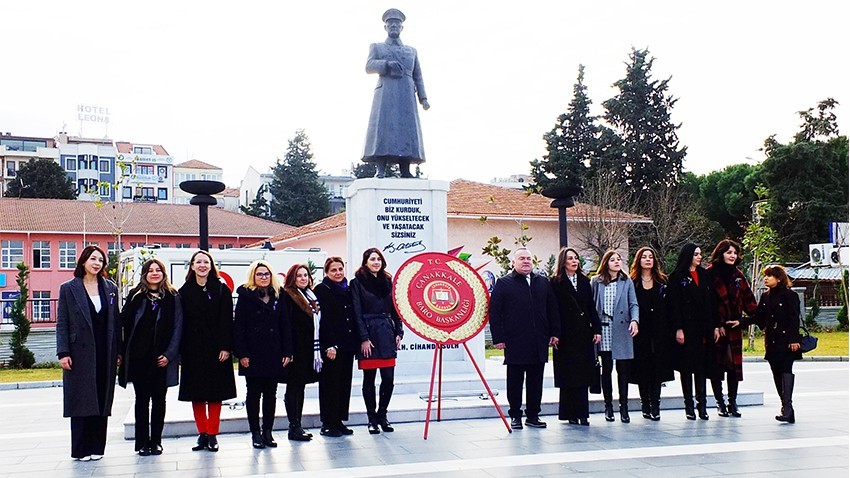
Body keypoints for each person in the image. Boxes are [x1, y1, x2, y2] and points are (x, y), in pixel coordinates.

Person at [56, 245, 121, 461]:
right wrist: (63, 352)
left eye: (100, 260)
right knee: (81, 399)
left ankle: (97, 447)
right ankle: (81, 448)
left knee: (102, 398)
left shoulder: (110, 288)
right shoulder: (68, 288)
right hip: (78, 352)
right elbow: (62, 322)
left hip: (105, 351)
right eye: (93, 258)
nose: (96, 263)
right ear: (83, 261)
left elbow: (116, 321)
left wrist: (118, 351)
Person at [489, 247, 560, 430]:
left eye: (528, 258)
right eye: (521, 258)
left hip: (539, 340)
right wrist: (498, 337)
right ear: (514, 262)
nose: (526, 261)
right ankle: (515, 415)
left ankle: (533, 415)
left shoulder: (542, 282)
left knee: (536, 381)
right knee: (515, 381)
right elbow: (495, 313)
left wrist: (554, 332)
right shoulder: (504, 283)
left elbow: (552, 309)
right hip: (515, 341)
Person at [118, 259, 183, 456]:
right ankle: (142, 443)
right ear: (144, 274)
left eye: (158, 270)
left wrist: (170, 355)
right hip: (139, 358)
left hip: (161, 358)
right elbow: (124, 325)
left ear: (163, 273)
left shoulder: (173, 297)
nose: (154, 273)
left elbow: (178, 327)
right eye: (150, 270)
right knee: (141, 400)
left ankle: (156, 441)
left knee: (159, 400)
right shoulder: (136, 296)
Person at [178, 250, 236, 452]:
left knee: (215, 394)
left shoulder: (221, 289)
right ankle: (202, 433)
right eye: (198, 262)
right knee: (197, 394)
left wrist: (225, 347)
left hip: (217, 350)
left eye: (206, 262)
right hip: (192, 350)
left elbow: (227, 321)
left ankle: (213, 434)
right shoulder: (183, 292)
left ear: (211, 266)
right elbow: (180, 324)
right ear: (192, 266)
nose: (202, 265)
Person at [362, 8, 430, 178]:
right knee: (383, 128)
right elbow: (369, 66)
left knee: (406, 130)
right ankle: (381, 169)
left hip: (406, 94)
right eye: (390, 24)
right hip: (386, 93)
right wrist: (386, 64)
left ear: (402, 28)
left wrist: (423, 98)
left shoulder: (411, 51)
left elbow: (418, 75)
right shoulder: (377, 47)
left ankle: (405, 169)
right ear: (385, 27)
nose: (393, 26)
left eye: (397, 24)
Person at [233, 260, 292, 449]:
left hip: (274, 351)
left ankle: (268, 432)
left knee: (271, 394)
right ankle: (255, 433)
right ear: (253, 276)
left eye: (266, 274)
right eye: (260, 274)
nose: (264, 277)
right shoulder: (245, 295)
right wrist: (242, 353)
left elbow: (285, 325)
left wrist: (287, 351)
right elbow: (239, 327)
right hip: (252, 353)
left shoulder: (279, 295)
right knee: (253, 394)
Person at [351, 248, 405, 434]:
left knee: (388, 378)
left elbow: (396, 309)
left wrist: (399, 332)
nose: (376, 262)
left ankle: (383, 415)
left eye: (379, 259)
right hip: (369, 332)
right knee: (369, 379)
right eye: (372, 259)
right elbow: (356, 312)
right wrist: (363, 338)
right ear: (365, 261)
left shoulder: (389, 281)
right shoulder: (357, 283)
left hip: (386, 332)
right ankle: (371, 418)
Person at [742, 266, 802, 423]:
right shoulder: (765, 296)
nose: (766, 279)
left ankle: (787, 408)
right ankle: (786, 407)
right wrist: (741, 321)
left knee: (786, 370)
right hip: (772, 340)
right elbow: (758, 317)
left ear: (779, 278)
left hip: (787, 340)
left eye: (769, 276)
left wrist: (794, 339)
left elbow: (794, 318)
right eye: (765, 276)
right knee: (776, 372)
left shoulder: (790, 295)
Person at [707, 239, 758, 418]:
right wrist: (715, 324)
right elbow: (706, 304)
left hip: (733, 327)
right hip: (715, 328)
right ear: (721, 253)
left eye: (735, 253)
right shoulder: (710, 274)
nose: (732, 256)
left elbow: (751, 304)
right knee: (717, 366)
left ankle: (732, 401)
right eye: (729, 252)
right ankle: (719, 402)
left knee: (733, 367)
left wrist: (743, 321)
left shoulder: (738, 275)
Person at [550, 247, 601, 426]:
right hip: (564, 334)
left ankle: (583, 413)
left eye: (576, 258)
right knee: (567, 375)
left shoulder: (584, 281)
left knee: (583, 374)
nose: (574, 261)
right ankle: (569, 413)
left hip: (582, 333)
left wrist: (597, 329)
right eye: (570, 258)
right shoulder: (555, 282)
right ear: (563, 261)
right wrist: (554, 333)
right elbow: (553, 309)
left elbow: (590, 307)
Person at [667, 244, 717, 420]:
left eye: (700, 254)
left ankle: (702, 405)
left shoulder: (705, 275)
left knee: (702, 368)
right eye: (696, 254)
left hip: (703, 328)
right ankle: (689, 405)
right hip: (686, 328)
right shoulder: (676, 277)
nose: (699, 257)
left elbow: (712, 302)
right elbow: (674, 305)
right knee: (686, 368)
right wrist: (678, 328)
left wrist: (715, 326)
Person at [590, 250, 639, 423]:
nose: (617, 262)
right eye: (612, 260)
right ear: (606, 263)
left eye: (619, 259)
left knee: (623, 370)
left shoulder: (627, 281)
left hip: (622, 328)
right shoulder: (596, 281)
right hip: (603, 329)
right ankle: (608, 406)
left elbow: (633, 303)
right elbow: (591, 305)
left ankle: (623, 407)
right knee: (607, 368)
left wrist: (634, 320)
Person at [313, 257, 358, 437]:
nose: (338, 273)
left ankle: (339, 421)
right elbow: (323, 321)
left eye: (340, 269)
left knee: (343, 384)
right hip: (331, 347)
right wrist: (329, 344)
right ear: (327, 272)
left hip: (347, 345)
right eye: (334, 270)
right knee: (329, 385)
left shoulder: (347, 289)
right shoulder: (322, 290)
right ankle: (327, 423)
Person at [628, 246, 674, 421]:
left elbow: (669, 307)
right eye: (644, 256)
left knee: (657, 368)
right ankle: (645, 404)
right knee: (642, 368)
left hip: (660, 331)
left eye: (650, 257)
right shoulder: (632, 282)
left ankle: (656, 405)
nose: (648, 259)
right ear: (638, 260)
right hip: (640, 332)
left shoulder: (662, 282)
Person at [280, 264, 322, 442]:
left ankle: (298, 424)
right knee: (293, 387)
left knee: (300, 387)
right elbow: (285, 324)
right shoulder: (287, 295)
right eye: (299, 276)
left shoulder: (311, 296)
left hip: (308, 349)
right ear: (292, 278)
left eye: (306, 275)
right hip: (294, 349)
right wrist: (287, 350)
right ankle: (293, 426)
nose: (303, 278)